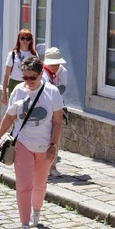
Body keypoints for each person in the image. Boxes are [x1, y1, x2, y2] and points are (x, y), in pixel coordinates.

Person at [0, 57, 63, 229]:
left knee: (40, 184)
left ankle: (36, 211)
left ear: (41, 74)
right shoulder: (18, 91)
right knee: (23, 185)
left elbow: (57, 122)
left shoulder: (52, 92)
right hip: (22, 142)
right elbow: (10, 116)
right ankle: (24, 226)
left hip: (45, 146)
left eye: (32, 77)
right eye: (25, 77)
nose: (28, 81)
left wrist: (53, 146)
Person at [42, 47, 68, 177]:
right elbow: (46, 91)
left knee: (55, 136)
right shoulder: (41, 72)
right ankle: (41, 164)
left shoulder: (63, 72)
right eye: (52, 64)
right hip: (43, 107)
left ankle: (52, 166)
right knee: (43, 136)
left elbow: (60, 90)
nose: (55, 67)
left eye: (57, 64)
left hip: (57, 107)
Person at [2, 29, 37, 104]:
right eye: (22, 38)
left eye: (28, 39)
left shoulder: (34, 54)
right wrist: (4, 93)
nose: (25, 41)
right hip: (15, 83)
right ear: (19, 40)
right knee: (14, 108)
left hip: (30, 83)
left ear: (31, 41)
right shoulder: (13, 54)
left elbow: (37, 73)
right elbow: (6, 74)